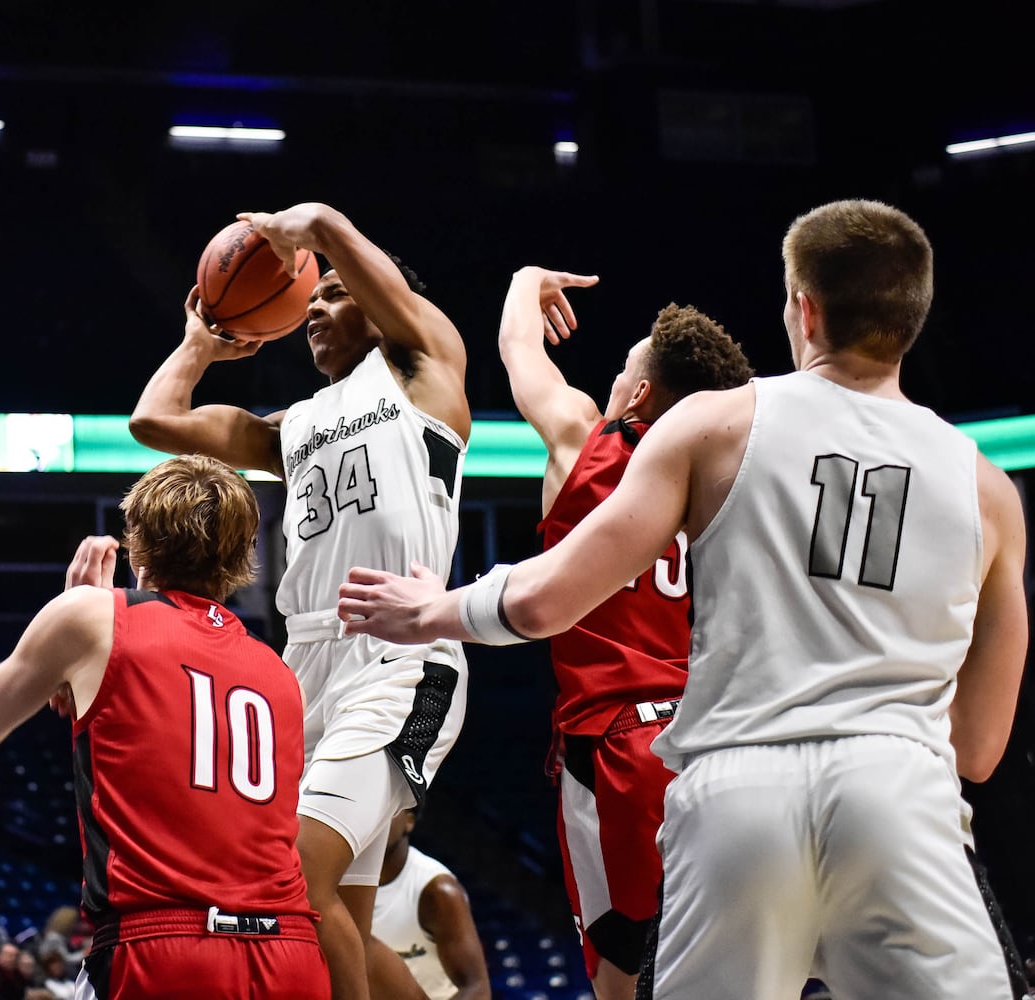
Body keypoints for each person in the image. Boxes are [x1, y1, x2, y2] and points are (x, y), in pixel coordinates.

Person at [336, 199, 1030, 999]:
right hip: (899, 794)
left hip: (737, 791)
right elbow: (978, 747)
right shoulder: (986, 487)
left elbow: (542, 604)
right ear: (913, 317)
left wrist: (430, 609)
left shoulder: (715, 423)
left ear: (801, 308)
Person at [130, 202, 471, 1000]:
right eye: (307, 301)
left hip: (402, 662)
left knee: (290, 875)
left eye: (332, 297)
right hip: (305, 671)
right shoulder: (295, 426)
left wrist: (311, 225)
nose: (313, 309)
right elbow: (155, 420)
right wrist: (197, 345)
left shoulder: (423, 368)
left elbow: (339, 243)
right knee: (336, 911)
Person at [0, 455, 329, 999]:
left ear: (138, 541)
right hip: (289, 955)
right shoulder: (277, 669)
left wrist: (67, 620)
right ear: (245, 556)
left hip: (165, 947)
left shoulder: (96, 615)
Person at [498, 268, 753, 999]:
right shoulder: (723, 480)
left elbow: (519, 348)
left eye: (621, 372)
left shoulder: (584, 436)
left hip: (615, 743)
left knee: (621, 981)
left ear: (638, 393)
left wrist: (525, 282)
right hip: (708, 740)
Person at [370, 810, 490, 1000]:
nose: (374, 819)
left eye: (389, 810)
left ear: (409, 820)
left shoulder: (438, 891)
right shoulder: (338, 876)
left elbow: (477, 989)